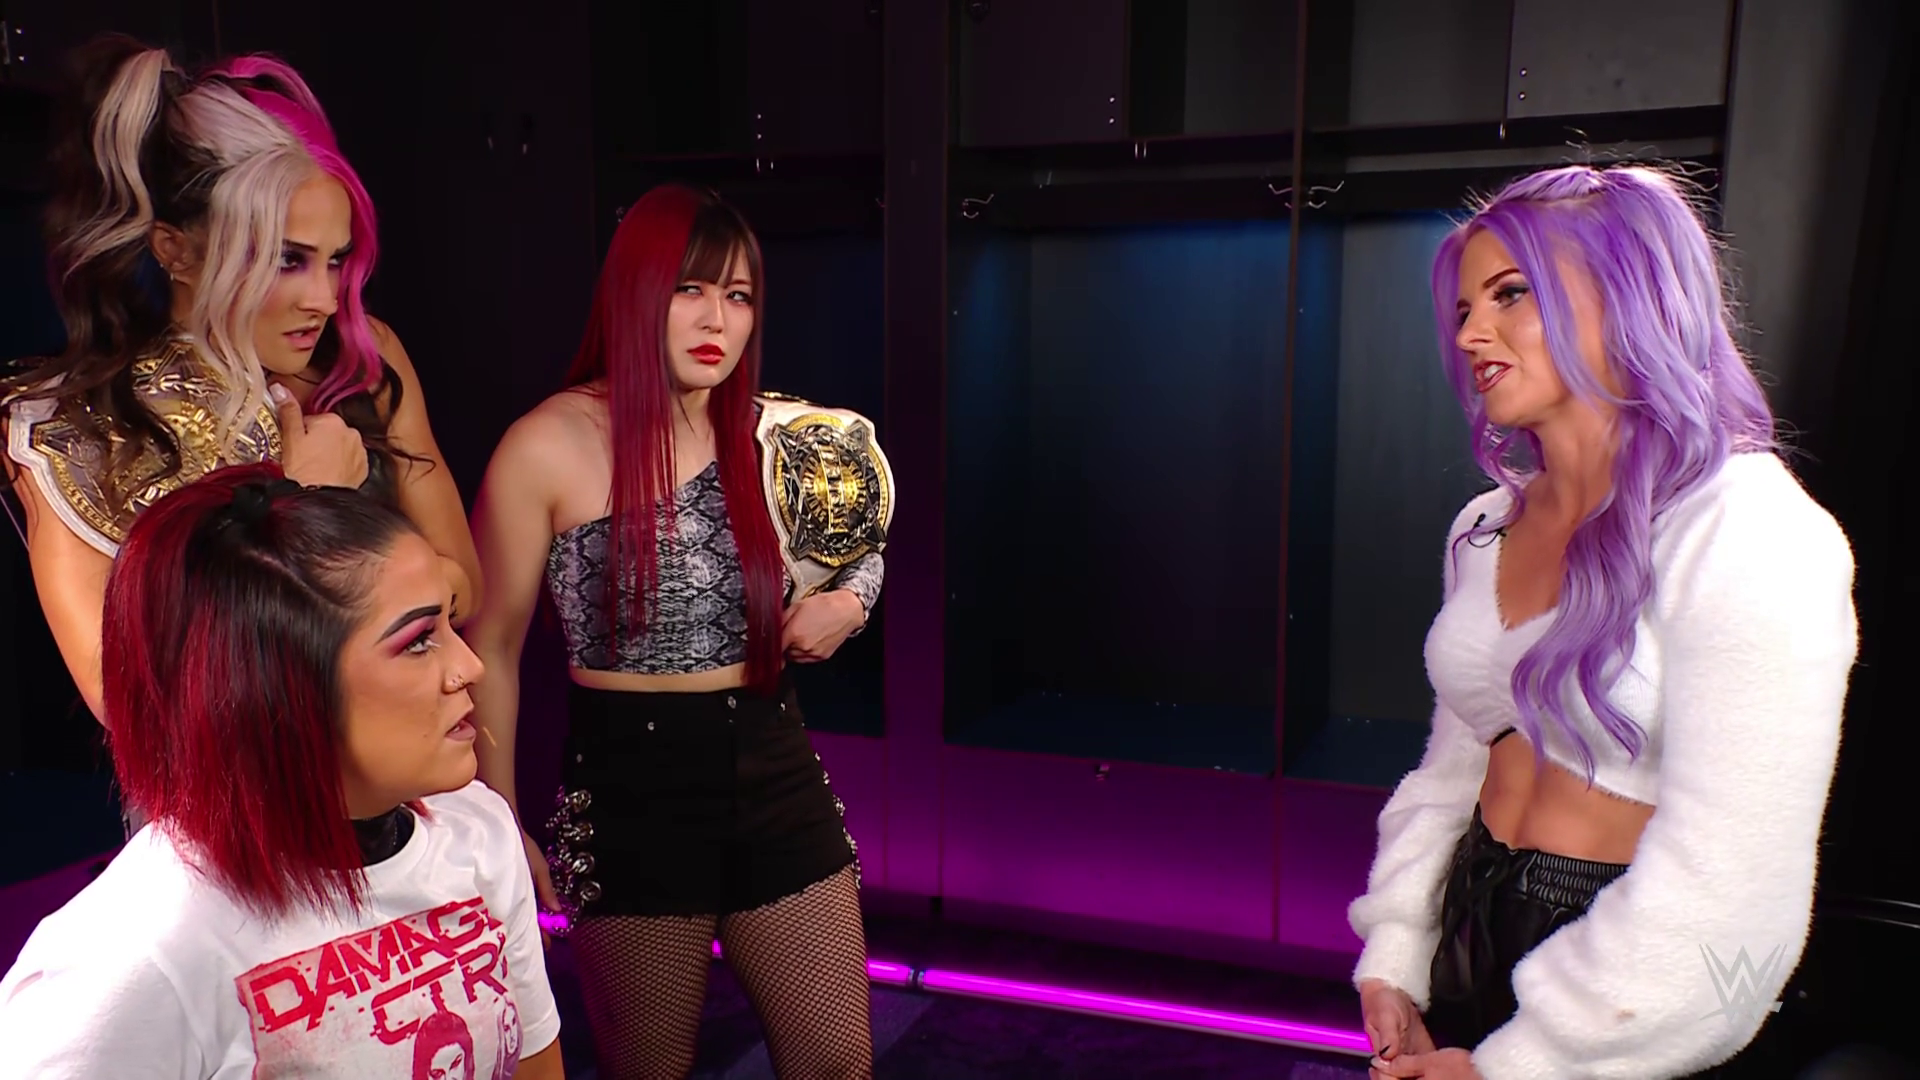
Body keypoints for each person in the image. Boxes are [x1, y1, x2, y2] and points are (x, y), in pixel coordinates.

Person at [1347, 164, 1858, 1079]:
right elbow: (1453, 770)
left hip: (1632, 986)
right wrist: (1398, 950)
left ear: (1632, 297)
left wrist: (1521, 1064)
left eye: (1510, 294)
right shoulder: (1484, 526)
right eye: (1463, 308)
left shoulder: (1749, 529)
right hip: (1472, 923)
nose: (1469, 334)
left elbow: (1735, 873)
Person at [462, 182, 890, 1079]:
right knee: (649, 1069)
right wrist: (495, 819)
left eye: (738, 295)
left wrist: (850, 606)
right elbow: (489, 646)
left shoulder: (775, 433)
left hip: (774, 766)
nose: (716, 320)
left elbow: (861, 547)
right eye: (689, 289)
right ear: (636, 293)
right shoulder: (546, 444)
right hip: (631, 796)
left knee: (837, 1061)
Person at [0, 463, 562, 1078]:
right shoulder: (136, 955)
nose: (470, 666)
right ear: (281, 687)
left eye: (451, 622)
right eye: (419, 640)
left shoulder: (479, 831)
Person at [1, 36, 481, 724]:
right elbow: (126, 700)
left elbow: (466, 582)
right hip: (235, 785)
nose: (325, 297)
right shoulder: (68, 429)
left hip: (403, 761)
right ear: (176, 249)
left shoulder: (362, 358)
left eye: (336, 260)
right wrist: (304, 502)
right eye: (288, 260)